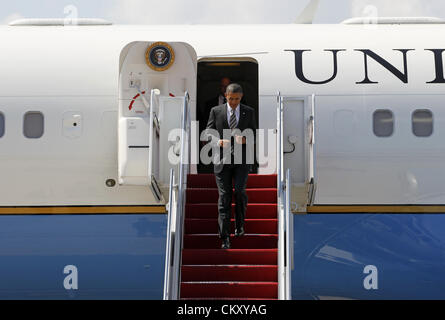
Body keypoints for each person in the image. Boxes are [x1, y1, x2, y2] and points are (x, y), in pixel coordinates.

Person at [205, 83, 257, 249]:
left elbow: (254, 133)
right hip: (222, 160)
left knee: (240, 191)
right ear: (226, 96)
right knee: (225, 196)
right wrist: (218, 141)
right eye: (231, 98)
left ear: (241, 97)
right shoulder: (216, 111)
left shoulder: (248, 111)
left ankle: (240, 225)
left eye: (237, 99)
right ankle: (224, 236)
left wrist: (245, 139)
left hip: (242, 159)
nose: (234, 102)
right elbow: (208, 132)